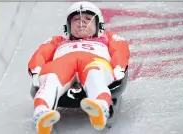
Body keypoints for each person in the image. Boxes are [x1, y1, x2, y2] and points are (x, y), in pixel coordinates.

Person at [28, 1, 130, 134]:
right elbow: (41, 54)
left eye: (88, 19)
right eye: (76, 19)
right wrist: (36, 71)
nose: (81, 22)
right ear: (68, 26)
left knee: (95, 73)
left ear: (98, 25)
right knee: (52, 78)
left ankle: (100, 106)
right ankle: (41, 113)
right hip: (63, 64)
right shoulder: (57, 41)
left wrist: (118, 68)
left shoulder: (108, 38)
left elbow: (119, 51)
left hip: (94, 61)